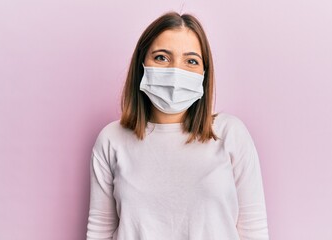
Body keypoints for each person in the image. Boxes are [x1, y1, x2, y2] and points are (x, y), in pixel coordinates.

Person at [86, 11, 269, 240]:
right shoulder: (111, 139)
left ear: (204, 73)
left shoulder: (229, 134)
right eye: (162, 57)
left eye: (191, 61)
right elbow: (100, 231)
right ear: (142, 64)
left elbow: (254, 231)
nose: (175, 71)